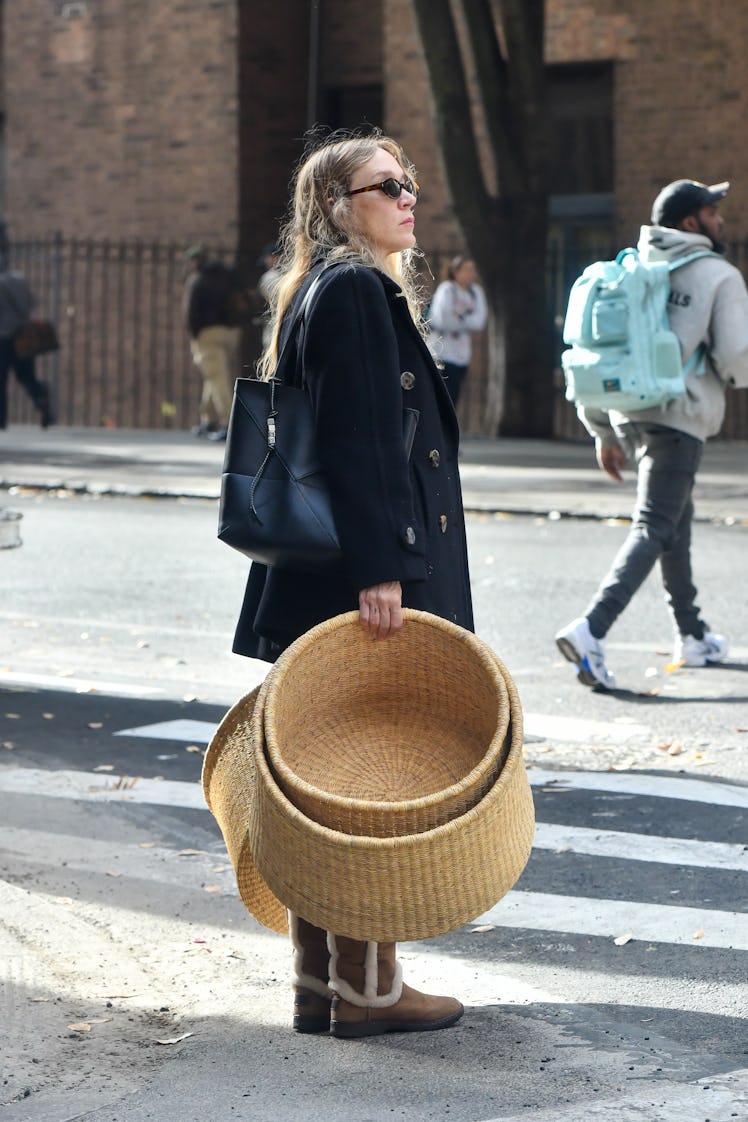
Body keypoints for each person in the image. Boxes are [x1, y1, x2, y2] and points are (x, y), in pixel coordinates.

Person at [232, 131, 473, 1037]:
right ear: (338, 206)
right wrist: (382, 570)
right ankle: (370, 992)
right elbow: (360, 441)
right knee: (369, 783)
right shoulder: (357, 292)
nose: (409, 197)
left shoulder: (319, 290)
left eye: (409, 183)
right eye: (386, 186)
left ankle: (320, 985)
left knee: (322, 779)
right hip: (363, 573)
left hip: (325, 572)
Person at [556, 179, 748, 689]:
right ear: (690, 223)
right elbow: (734, 357)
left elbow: (598, 352)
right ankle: (590, 628)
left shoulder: (632, 268)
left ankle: (693, 635)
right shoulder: (718, 274)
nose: (720, 219)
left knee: (673, 524)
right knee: (654, 525)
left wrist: (602, 431)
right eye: (711, 211)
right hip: (679, 418)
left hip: (628, 412)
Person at [182, 245, 246, 441]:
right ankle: (207, 420)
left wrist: (194, 336)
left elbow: (190, 313)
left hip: (207, 333)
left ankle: (228, 423)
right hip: (231, 331)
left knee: (217, 377)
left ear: (194, 261)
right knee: (214, 374)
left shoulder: (197, 280)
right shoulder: (229, 274)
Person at [427, 255, 487, 407]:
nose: (471, 274)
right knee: (438, 397)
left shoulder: (476, 293)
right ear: (456, 271)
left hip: (461, 354)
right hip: (441, 352)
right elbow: (442, 319)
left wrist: (459, 317)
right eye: (467, 270)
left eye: (473, 270)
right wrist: (465, 320)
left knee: (453, 397)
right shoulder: (447, 289)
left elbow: (479, 321)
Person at [0, 269, 53, 430]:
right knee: (27, 377)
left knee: (1, 379)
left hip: (3, 337)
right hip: (23, 336)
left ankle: (1, 419)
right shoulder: (19, 280)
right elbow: (32, 303)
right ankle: (39, 396)